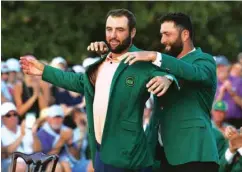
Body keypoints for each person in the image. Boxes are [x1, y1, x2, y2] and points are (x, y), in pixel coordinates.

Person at [20, 9, 179, 172]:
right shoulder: (102, 62)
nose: (113, 35)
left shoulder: (142, 61)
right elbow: (79, 81)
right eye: (109, 29)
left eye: (120, 30)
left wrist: (167, 80)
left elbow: (172, 76)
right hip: (100, 152)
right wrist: (44, 71)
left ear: (132, 32)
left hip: (128, 154)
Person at [88, 12, 219, 172]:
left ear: (185, 34)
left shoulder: (204, 60)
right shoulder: (162, 66)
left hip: (194, 154)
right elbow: (127, 76)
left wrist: (157, 59)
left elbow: (193, 73)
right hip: (160, 155)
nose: (163, 40)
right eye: (161, 34)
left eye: (167, 34)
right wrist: (109, 53)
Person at [1, 102, 41, 172]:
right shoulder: (1, 132)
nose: (13, 117)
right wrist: (22, 135)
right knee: (20, 166)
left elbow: (38, 150)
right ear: (2, 118)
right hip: (10, 163)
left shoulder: (26, 128)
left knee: (53, 163)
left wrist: (34, 135)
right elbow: (8, 152)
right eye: (8, 115)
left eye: (15, 114)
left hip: (30, 161)